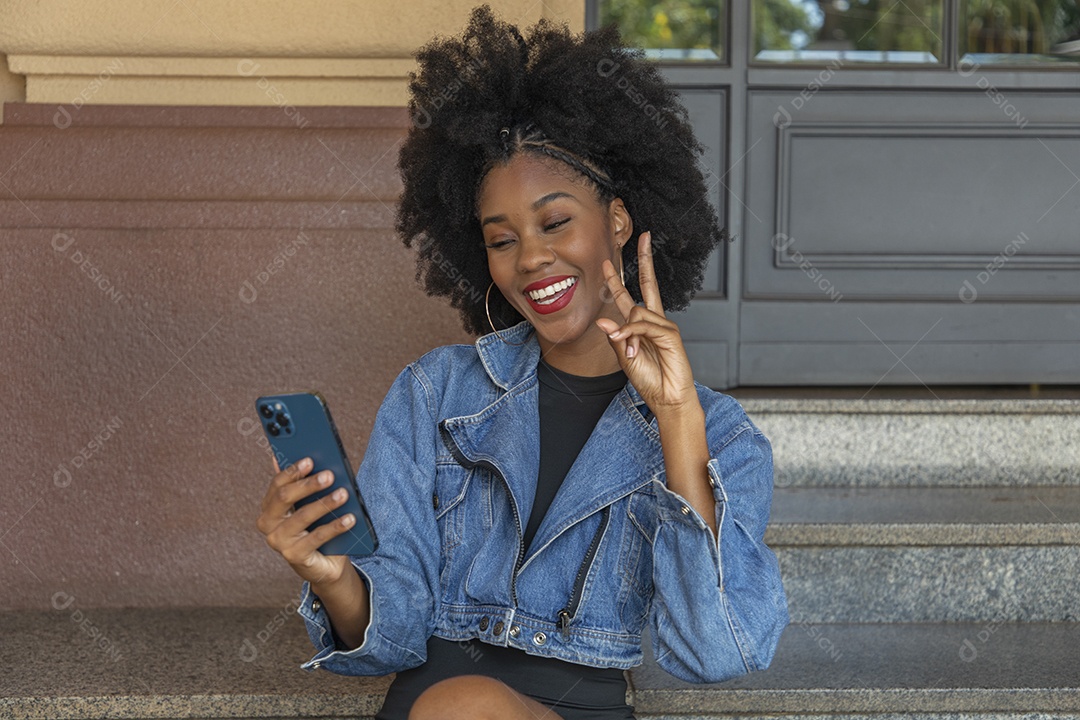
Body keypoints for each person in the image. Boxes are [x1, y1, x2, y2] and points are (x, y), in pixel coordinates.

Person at [256, 6, 788, 719]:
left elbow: (716, 649)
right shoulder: (435, 394)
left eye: (555, 221)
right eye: (501, 239)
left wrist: (676, 420)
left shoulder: (720, 434)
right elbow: (390, 638)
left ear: (619, 220)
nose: (530, 258)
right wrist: (328, 575)